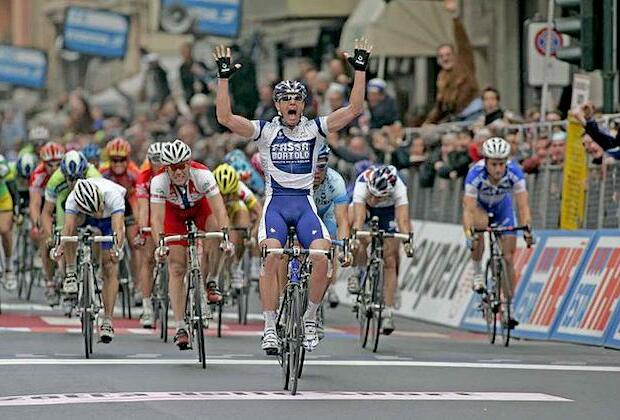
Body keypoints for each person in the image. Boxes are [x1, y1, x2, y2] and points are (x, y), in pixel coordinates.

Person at [213, 38, 372, 353]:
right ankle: (270, 326)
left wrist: (360, 71)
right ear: (277, 105)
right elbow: (226, 119)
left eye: (297, 99)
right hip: (276, 204)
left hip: (304, 204)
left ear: (304, 104)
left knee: (322, 255)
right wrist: (223, 80)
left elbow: (354, 109)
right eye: (285, 99)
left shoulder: (314, 129)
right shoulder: (266, 131)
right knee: (271, 255)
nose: (291, 103)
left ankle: (311, 318)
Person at [150, 140, 230, 350]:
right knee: (176, 267)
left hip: (200, 209)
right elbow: (157, 219)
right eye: (173, 168)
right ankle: (180, 327)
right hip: (173, 215)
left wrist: (225, 237)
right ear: (166, 168)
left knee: (215, 229)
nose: (179, 172)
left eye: (182, 166)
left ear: (189, 163)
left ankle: (210, 280)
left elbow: (220, 210)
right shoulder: (158, 182)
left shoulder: (202, 175)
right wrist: (160, 244)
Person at [462, 137, 534, 329]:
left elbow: (523, 205)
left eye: (501, 164)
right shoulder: (474, 174)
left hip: (503, 209)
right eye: (494, 164)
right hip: (480, 208)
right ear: (485, 162)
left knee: (509, 258)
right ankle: (477, 271)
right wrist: (469, 233)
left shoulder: (515, 172)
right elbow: (468, 209)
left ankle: (510, 306)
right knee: (480, 226)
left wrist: (527, 229)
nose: (498, 169)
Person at [54, 178, 126, 343]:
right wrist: (59, 249)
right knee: (70, 236)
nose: (99, 211)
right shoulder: (72, 199)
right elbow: (67, 229)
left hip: (110, 220)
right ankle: (72, 272)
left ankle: (107, 320)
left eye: (99, 207)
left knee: (110, 265)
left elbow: (118, 229)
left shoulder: (113, 195)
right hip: (84, 216)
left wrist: (117, 249)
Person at [349, 165, 413, 334]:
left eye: (379, 196)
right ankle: (357, 271)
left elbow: (402, 220)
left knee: (390, 259)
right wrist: (355, 237)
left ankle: (388, 311)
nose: (374, 199)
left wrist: (407, 241)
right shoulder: (363, 183)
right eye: (373, 195)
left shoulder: (399, 187)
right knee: (359, 235)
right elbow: (358, 219)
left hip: (388, 211)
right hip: (365, 210)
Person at [43, 151, 101, 305]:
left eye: (78, 178)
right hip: (65, 203)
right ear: (64, 174)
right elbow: (46, 213)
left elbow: (102, 207)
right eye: (70, 179)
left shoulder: (94, 175)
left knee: (97, 232)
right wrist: (50, 236)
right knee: (68, 232)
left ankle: (95, 267)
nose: (74, 183)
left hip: (89, 203)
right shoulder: (55, 179)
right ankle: (70, 273)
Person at [424, 0, 481, 124]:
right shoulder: (442, 77)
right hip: (456, 118)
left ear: (455, 56)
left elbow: (463, 43)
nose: (445, 58)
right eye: (441, 56)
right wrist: (426, 124)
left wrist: (455, 17)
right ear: (438, 60)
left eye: (448, 55)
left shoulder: (464, 65)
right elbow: (440, 107)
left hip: (473, 115)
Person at [212, 163, 263, 288]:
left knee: (242, 226)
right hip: (216, 210)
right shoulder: (210, 187)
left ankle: (236, 265)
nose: (224, 198)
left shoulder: (240, 189)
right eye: (221, 194)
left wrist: (251, 235)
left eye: (228, 194)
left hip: (235, 209)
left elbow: (259, 212)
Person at [313, 144, 350, 308]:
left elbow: (342, 220)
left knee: (329, 250)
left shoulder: (336, 181)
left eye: (321, 167)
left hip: (327, 213)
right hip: (306, 212)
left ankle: (317, 304)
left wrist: (345, 250)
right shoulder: (297, 179)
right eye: (313, 167)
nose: (317, 172)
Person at [135, 142, 164, 328]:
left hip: (168, 214)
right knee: (147, 259)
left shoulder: (171, 175)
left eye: (162, 160)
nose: (158, 163)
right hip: (152, 215)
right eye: (154, 160)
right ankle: (146, 307)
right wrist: (142, 230)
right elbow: (143, 209)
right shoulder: (144, 178)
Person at [30, 142, 65, 294]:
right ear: (44, 163)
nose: (54, 168)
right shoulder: (38, 175)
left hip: (62, 204)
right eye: (50, 165)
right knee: (46, 238)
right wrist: (37, 222)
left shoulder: (66, 172)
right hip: (46, 205)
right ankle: (50, 280)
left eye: (58, 164)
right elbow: (35, 204)